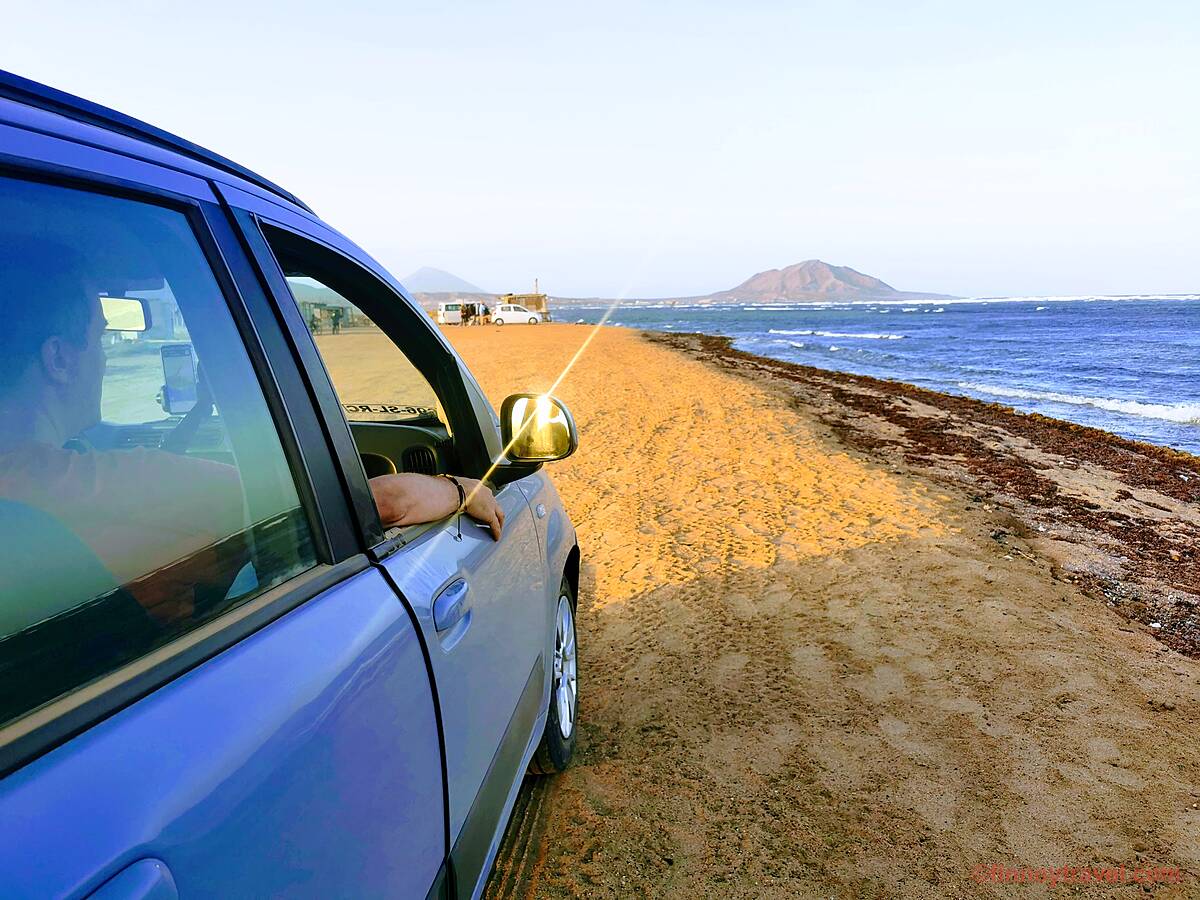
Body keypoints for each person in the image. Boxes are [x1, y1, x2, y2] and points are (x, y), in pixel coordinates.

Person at [0, 247, 503, 619]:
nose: (105, 356)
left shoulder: (38, 475)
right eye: (100, 338)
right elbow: (368, 504)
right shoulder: (115, 479)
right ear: (61, 360)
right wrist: (460, 488)